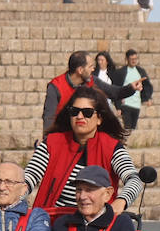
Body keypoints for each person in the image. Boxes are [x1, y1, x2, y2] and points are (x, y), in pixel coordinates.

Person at [25, 86, 144, 216]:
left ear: (99, 118)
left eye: (87, 112)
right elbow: (30, 176)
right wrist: (14, 191)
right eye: (74, 111)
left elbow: (134, 179)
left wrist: (121, 201)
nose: (79, 116)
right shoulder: (51, 143)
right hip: (51, 222)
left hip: (95, 225)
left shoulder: (112, 147)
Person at [42, 51, 93, 130]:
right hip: (62, 133)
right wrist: (48, 139)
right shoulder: (55, 86)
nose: (93, 69)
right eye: (90, 66)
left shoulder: (92, 82)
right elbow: (49, 117)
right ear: (80, 70)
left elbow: (112, 91)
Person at [117, 49, 154, 131]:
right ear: (127, 59)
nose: (134, 61)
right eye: (132, 59)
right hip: (126, 104)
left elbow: (147, 85)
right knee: (127, 127)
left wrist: (148, 98)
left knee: (133, 128)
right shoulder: (122, 72)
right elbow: (117, 87)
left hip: (136, 104)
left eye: (135, 59)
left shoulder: (140, 71)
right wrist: (118, 105)